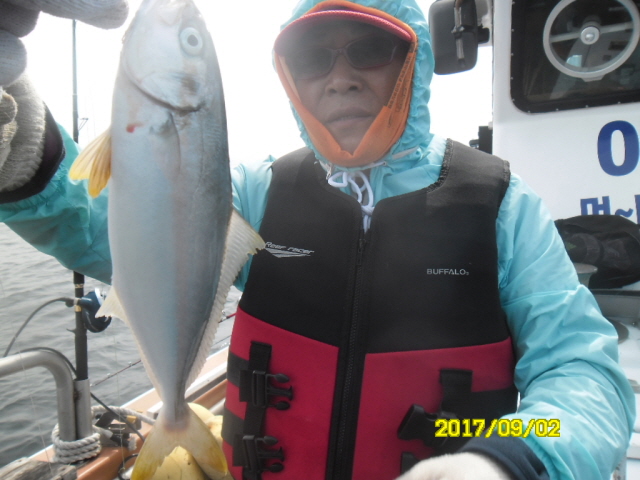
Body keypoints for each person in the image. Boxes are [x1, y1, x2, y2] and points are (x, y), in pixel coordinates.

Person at [0, 0, 635, 479]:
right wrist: (18, 134)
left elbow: (584, 375)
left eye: (370, 49)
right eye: (311, 58)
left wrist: (504, 459)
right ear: (289, 78)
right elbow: (118, 232)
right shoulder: (256, 193)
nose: (340, 78)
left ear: (414, 61)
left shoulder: (503, 206)